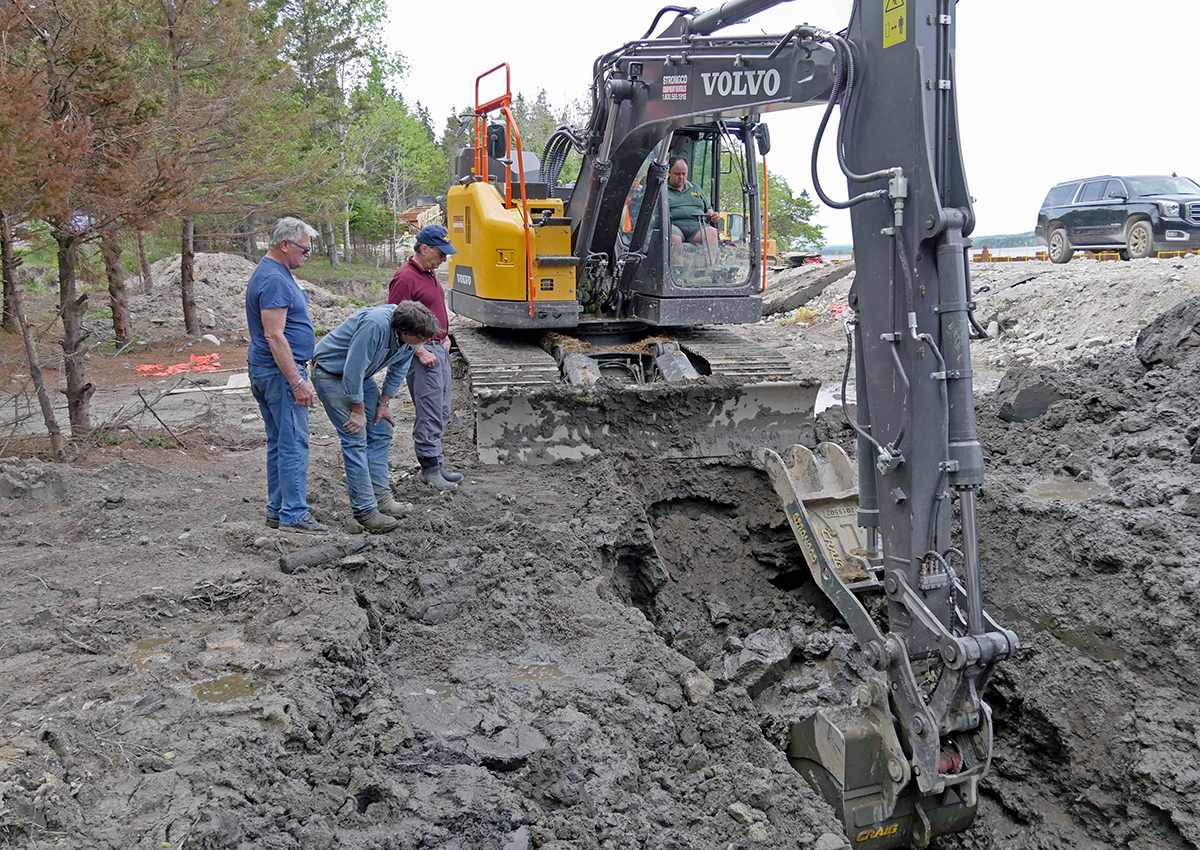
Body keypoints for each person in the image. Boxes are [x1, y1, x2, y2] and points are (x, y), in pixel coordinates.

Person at [311, 301, 441, 533]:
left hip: (359, 377)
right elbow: (353, 369)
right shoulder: (374, 326)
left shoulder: (409, 336)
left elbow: (399, 367)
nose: (426, 343)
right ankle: (365, 510)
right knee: (355, 435)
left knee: (382, 428)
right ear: (405, 333)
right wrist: (358, 410)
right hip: (332, 374)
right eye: (422, 338)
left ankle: (382, 500)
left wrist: (384, 403)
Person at [246, 216, 327, 533]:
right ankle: (293, 513)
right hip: (279, 374)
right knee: (292, 442)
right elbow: (274, 336)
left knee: (280, 441)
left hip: (271, 370)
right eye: (305, 250)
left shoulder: (271, 273)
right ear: (285, 245)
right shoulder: (275, 279)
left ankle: (277, 510)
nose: (307, 256)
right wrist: (297, 381)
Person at [387, 224, 462, 491]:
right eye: (440, 254)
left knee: (441, 409)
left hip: (438, 347)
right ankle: (429, 469)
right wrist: (419, 350)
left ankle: (437, 462)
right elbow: (395, 320)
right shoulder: (405, 278)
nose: (444, 259)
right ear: (424, 248)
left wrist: (444, 336)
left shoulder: (429, 274)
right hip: (422, 352)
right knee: (429, 409)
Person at [666, 156, 721, 263]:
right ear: (669, 172)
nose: (681, 177)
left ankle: (709, 271)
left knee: (712, 233)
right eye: (677, 174)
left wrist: (712, 215)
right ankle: (679, 273)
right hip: (674, 226)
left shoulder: (695, 188)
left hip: (697, 227)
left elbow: (708, 209)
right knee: (674, 239)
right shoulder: (663, 189)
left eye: (684, 174)